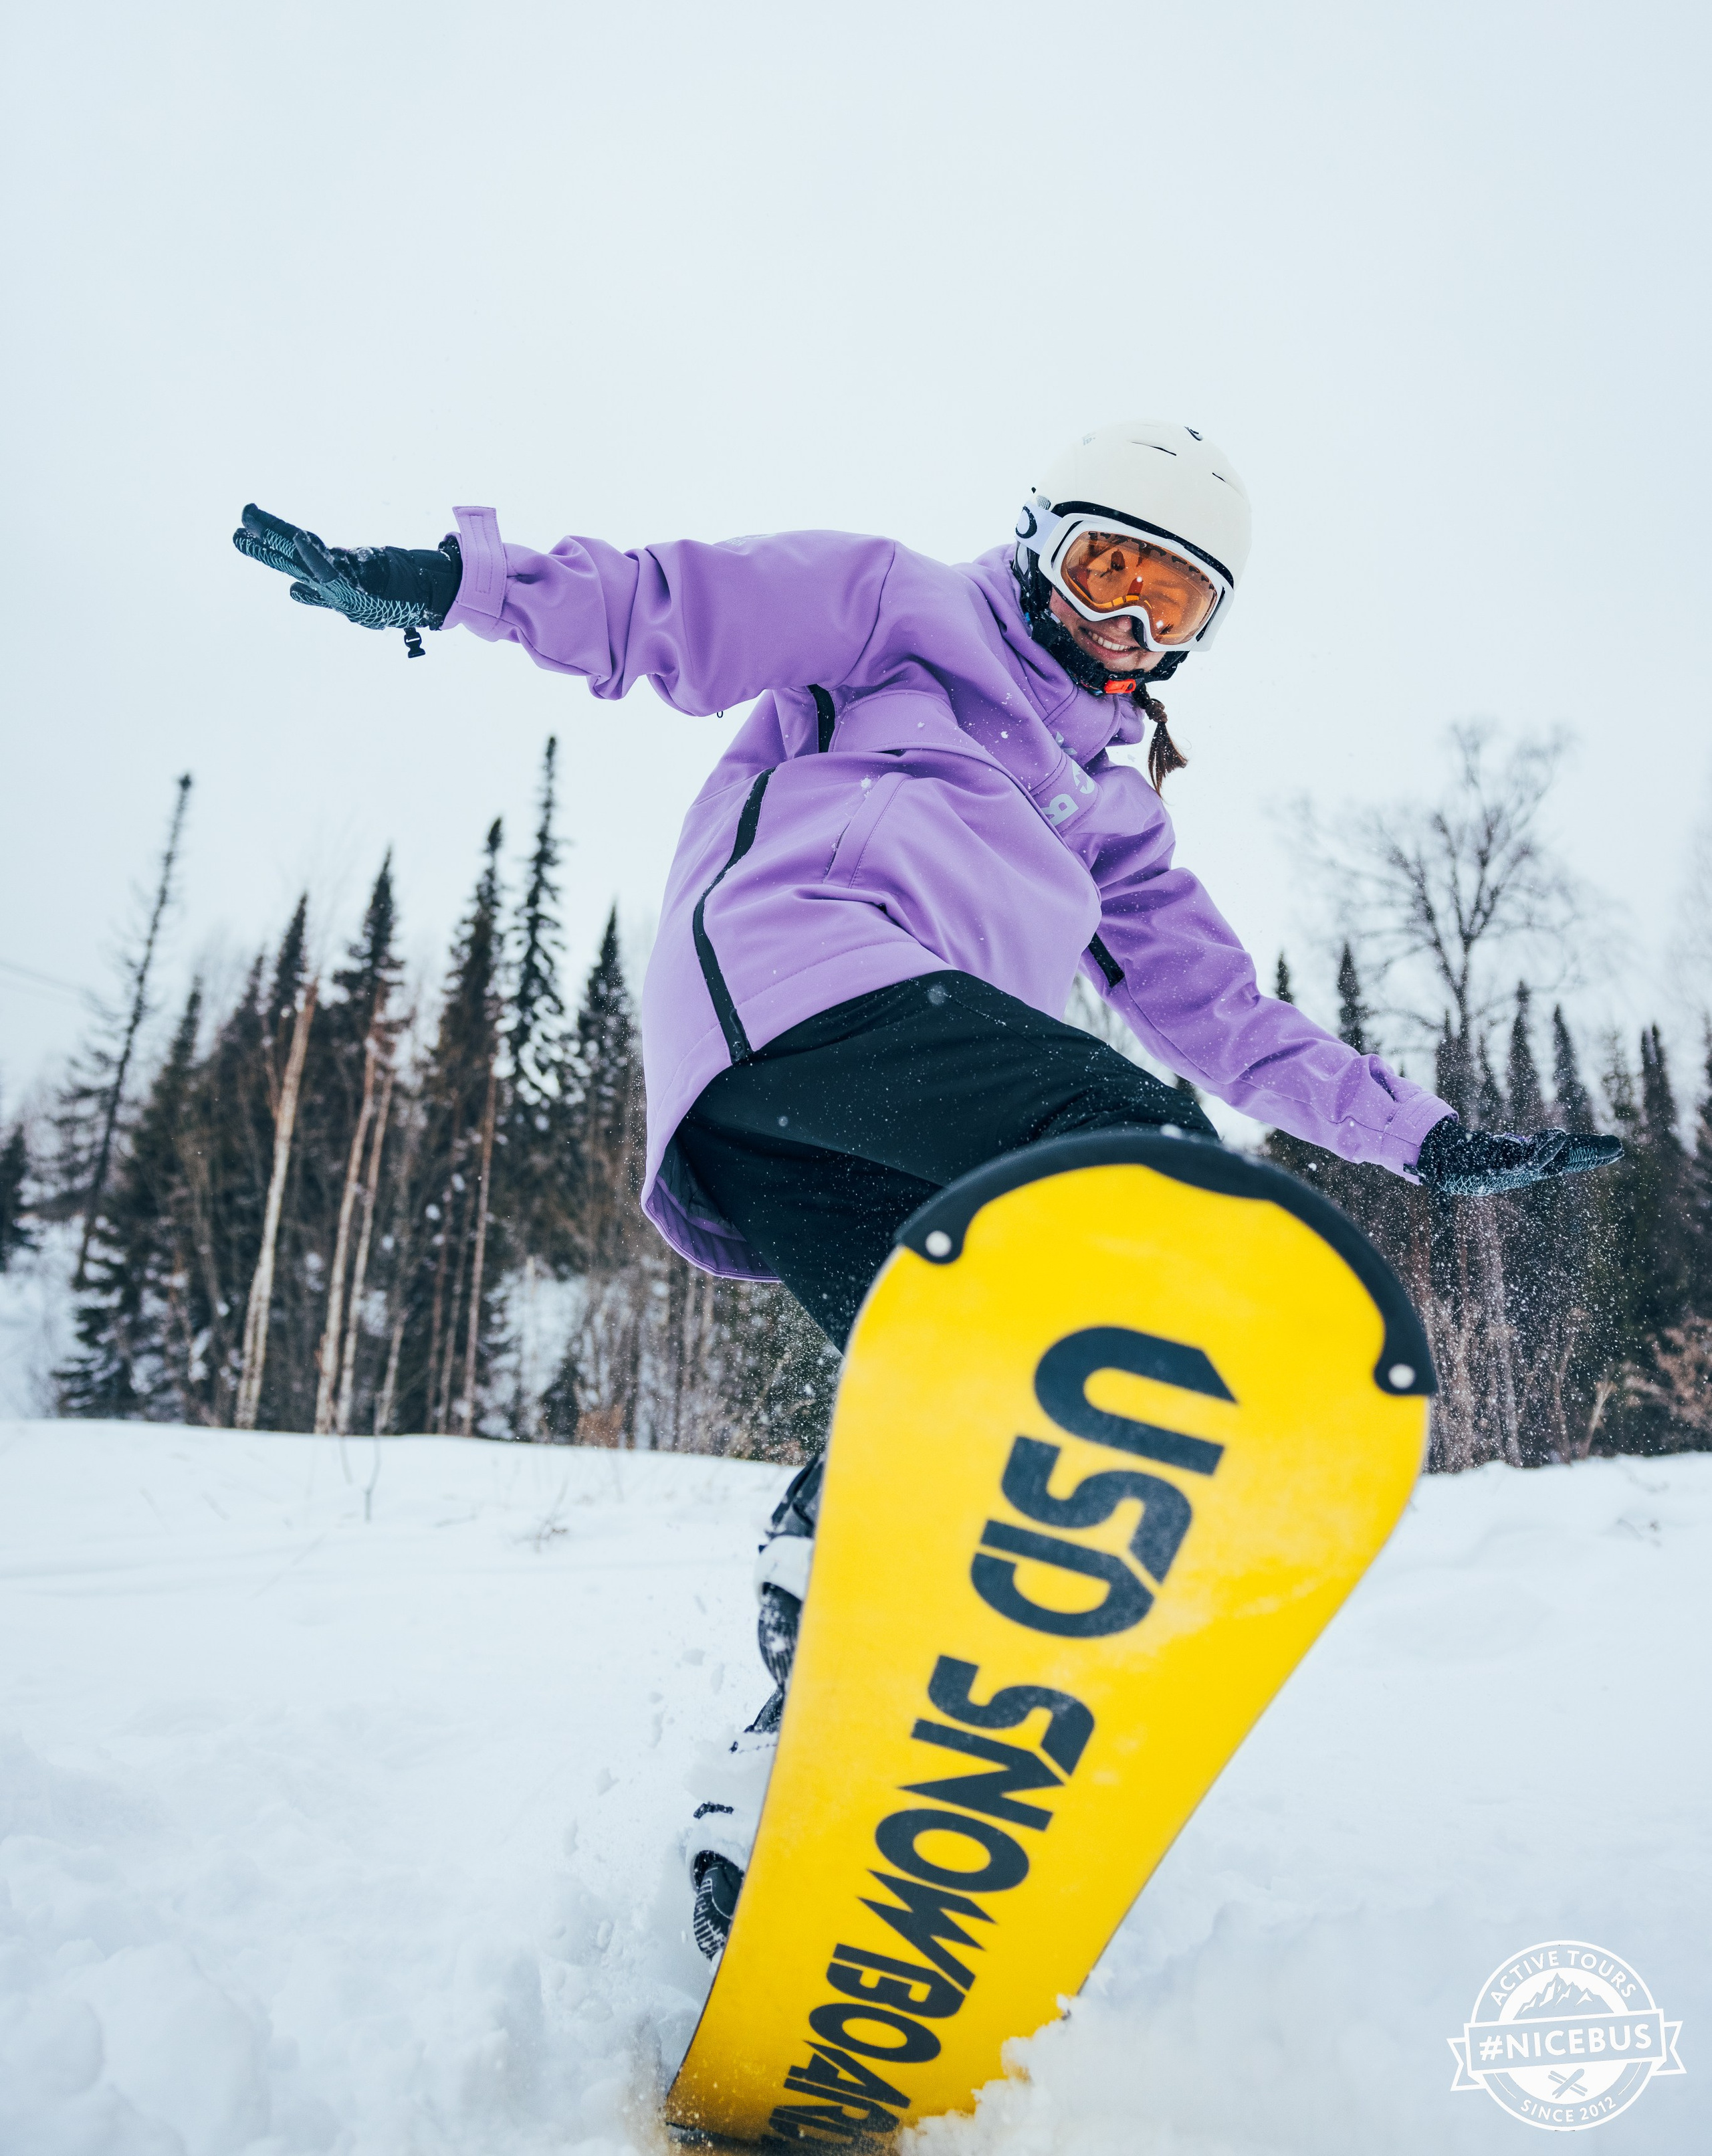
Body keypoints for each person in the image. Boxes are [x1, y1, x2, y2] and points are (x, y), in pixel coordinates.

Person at [233, 419, 1619, 1953]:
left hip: (836, 1128)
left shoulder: (1112, 813)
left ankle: (782, 1782)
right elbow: (658, 606)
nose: (1129, 626)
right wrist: (447, 583)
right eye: (1107, 570)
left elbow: (1226, 1012)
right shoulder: (899, 607)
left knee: (957, 1391)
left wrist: (1419, 1136)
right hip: (798, 978)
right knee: (1136, 1152)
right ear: (1038, 540)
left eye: (1173, 606)